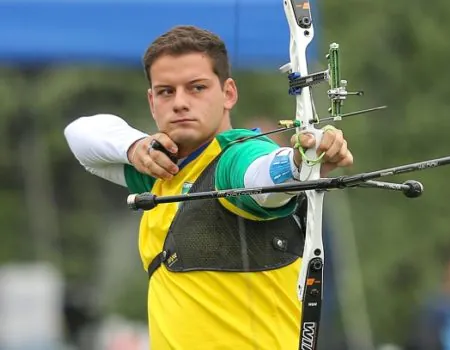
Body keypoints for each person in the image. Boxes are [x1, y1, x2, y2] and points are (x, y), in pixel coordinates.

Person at [64, 25, 354, 349]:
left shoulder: (238, 156)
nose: (180, 103)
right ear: (151, 101)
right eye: (166, 91)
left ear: (228, 93)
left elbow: (260, 177)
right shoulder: (160, 171)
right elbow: (79, 134)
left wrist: (299, 164)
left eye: (196, 88)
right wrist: (134, 147)